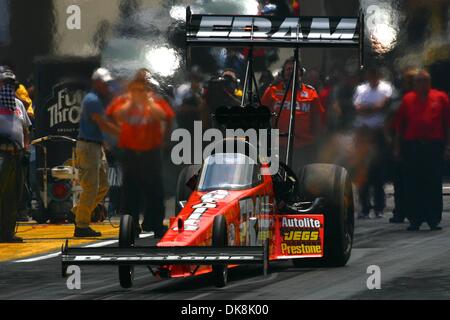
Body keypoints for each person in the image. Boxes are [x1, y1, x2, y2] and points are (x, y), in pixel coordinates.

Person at [108, 70, 175, 237]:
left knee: (155, 190)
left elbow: (165, 115)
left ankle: (155, 224)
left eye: (143, 88)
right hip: (131, 153)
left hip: (150, 152)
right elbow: (117, 114)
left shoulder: (155, 101)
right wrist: (132, 102)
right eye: (137, 88)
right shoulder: (124, 101)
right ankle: (131, 227)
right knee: (131, 191)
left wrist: (148, 102)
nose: (140, 91)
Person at [393, 70, 450, 231]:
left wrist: (447, 146)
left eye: (425, 81)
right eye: (418, 81)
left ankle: (433, 219)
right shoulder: (408, 99)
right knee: (412, 183)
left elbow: (447, 124)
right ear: (414, 84)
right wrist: (397, 148)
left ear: (430, 82)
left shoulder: (440, 98)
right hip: (413, 146)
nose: (422, 84)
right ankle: (415, 219)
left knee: (433, 182)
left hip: (434, 145)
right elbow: (400, 127)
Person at [72, 68, 114, 237]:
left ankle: (77, 211)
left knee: (103, 186)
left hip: (95, 146)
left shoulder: (98, 99)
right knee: (91, 188)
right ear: (96, 83)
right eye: (105, 83)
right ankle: (81, 226)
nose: (108, 86)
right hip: (89, 147)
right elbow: (102, 123)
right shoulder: (92, 100)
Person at [262, 57, 325, 169]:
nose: (290, 71)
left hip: (303, 146)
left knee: (302, 176)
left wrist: (316, 140)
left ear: (301, 72)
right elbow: (261, 114)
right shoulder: (273, 90)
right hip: (279, 146)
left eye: (293, 69)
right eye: (288, 69)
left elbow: (317, 118)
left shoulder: (311, 92)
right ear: (283, 73)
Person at [352, 67, 393, 219]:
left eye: (375, 73)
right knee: (363, 172)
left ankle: (379, 207)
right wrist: (373, 109)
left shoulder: (386, 88)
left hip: (378, 134)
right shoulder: (361, 89)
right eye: (370, 73)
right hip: (362, 134)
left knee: (378, 173)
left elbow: (382, 106)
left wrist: (368, 109)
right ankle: (364, 207)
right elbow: (358, 108)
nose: (372, 76)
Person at [0, 66, 32, 243]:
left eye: (11, 83)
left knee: (13, 197)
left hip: (16, 156)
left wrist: (26, 148)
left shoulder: (18, 104)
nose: (9, 86)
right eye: (5, 82)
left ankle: (7, 233)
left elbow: (26, 129)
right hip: (1, 154)